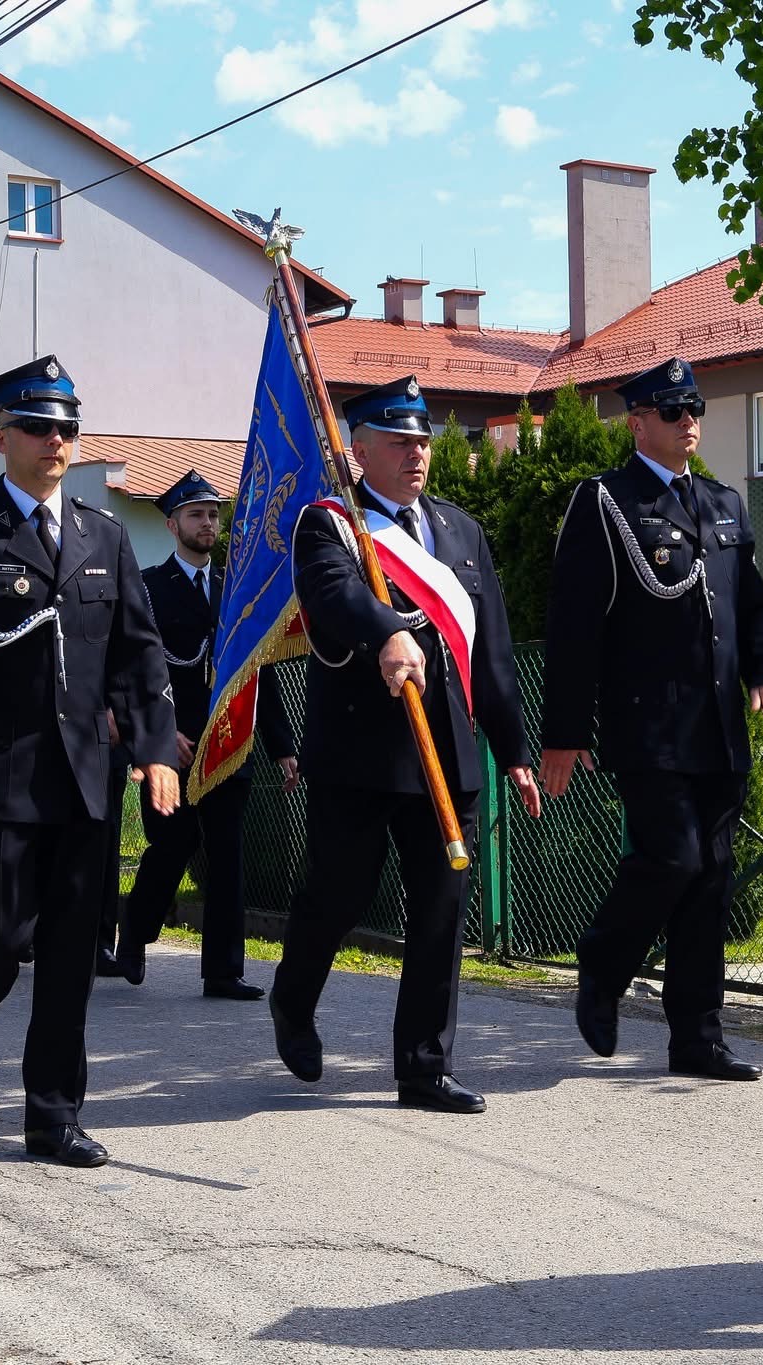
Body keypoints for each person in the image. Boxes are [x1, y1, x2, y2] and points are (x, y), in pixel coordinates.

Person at [0, 355, 179, 1167]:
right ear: (2, 437)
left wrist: (154, 747)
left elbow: (140, 653)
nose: (55, 441)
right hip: (1, 777)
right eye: (37, 426)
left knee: (72, 955)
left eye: (67, 427)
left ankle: (52, 1114)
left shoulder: (104, 535)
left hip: (86, 781)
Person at [269, 375, 539, 1114]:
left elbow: (493, 653)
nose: (417, 453)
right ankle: (293, 1000)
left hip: (444, 754)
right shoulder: (331, 525)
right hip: (360, 753)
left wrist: (513, 747)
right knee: (339, 893)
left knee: (441, 910)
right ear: (360, 449)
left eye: (422, 440)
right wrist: (387, 629)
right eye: (399, 441)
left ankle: (424, 1066)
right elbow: (333, 595)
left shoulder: (460, 532)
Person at [540, 356, 763, 1082]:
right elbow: (573, 627)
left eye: (696, 408)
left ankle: (697, 1037)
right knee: (673, 858)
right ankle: (603, 962)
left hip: (717, 728)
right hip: (647, 727)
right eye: (673, 410)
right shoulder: (605, 502)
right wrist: (564, 733)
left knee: (710, 876)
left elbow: (756, 609)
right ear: (638, 420)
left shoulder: (724, 504)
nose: (690, 422)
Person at [114, 469, 298, 998]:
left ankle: (223, 971)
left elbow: (257, 670)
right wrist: (157, 735)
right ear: (172, 524)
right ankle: (135, 933)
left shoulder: (236, 592)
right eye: (196, 514)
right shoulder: (148, 589)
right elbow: (133, 670)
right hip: (172, 747)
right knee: (171, 844)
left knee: (226, 855)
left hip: (229, 745)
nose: (207, 523)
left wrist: (282, 748)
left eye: (214, 514)